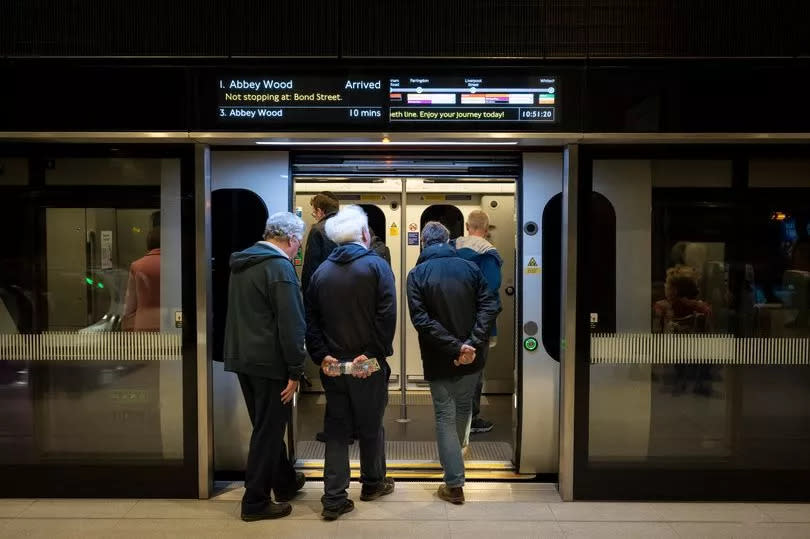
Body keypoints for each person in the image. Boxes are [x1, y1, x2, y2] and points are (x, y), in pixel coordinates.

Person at [305, 205, 397, 521]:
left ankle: (333, 498)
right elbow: (387, 314)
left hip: (333, 364)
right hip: (366, 363)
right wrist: (372, 351)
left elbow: (311, 320)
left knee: (336, 428)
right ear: (363, 234)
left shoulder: (320, 273)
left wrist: (320, 354)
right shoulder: (376, 267)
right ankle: (372, 483)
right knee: (371, 424)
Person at [407, 221, 500, 505]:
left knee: (444, 417)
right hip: (473, 357)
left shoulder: (417, 274)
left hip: (439, 358)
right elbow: (490, 305)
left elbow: (421, 320)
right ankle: (454, 462)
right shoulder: (470, 268)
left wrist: (454, 346)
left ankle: (454, 482)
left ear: (423, 244)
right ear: (449, 241)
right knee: (462, 411)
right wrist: (471, 343)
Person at [223, 212, 308, 521]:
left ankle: (284, 482)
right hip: (271, 363)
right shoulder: (279, 268)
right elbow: (291, 324)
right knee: (269, 431)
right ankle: (255, 501)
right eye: (299, 243)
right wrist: (295, 370)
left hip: (243, 358)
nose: (299, 249)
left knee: (266, 425)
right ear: (291, 240)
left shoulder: (243, 264)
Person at [453, 209, 502, 434]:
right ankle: (470, 419)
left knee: (455, 368)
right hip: (478, 325)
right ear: (486, 228)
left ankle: (454, 415)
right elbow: (491, 291)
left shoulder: (451, 250)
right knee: (475, 371)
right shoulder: (488, 255)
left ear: (467, 226)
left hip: (452, 320)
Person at [122, 226, 161, 331]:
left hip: (143, 323)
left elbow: (130, 301)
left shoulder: (136, 266)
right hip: (172, 321)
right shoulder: (176, 264)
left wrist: (126, 323)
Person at [300, 192, 340, 293]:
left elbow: (311, 268)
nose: (315, 217)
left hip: (325, 290)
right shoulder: (353, 226)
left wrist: (306, 294)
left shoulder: (318, 230)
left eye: (314, 213)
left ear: (319, 211)